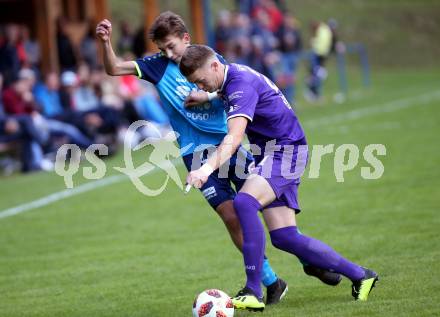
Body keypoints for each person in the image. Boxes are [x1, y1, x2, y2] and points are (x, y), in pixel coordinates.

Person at [95, 11, 293, 305]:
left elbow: (232, 88)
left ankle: (306, 253)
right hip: (195, 156)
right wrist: (106, 42)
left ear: (186, 39)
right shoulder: (156, 66)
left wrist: (208, 96)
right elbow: (113, 68)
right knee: (230, 216)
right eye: (162, 49)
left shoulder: (208, 59)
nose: (168, 53)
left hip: (229, 146)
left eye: (172, 46)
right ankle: (270, 281)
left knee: (269, 205)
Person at [180, 44, 379, 312]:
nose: (201, 87)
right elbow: (226, 91)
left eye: (201, 81)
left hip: (285, 151)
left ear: (214, 65)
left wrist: (204, 170)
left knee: (244, 203)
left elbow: (234, 137)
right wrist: (209, 97)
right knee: (284, 236)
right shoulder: (232, 77)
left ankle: (253, 290)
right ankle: (361, 275)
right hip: (277, 152)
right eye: (197, 84)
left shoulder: (239, 86)